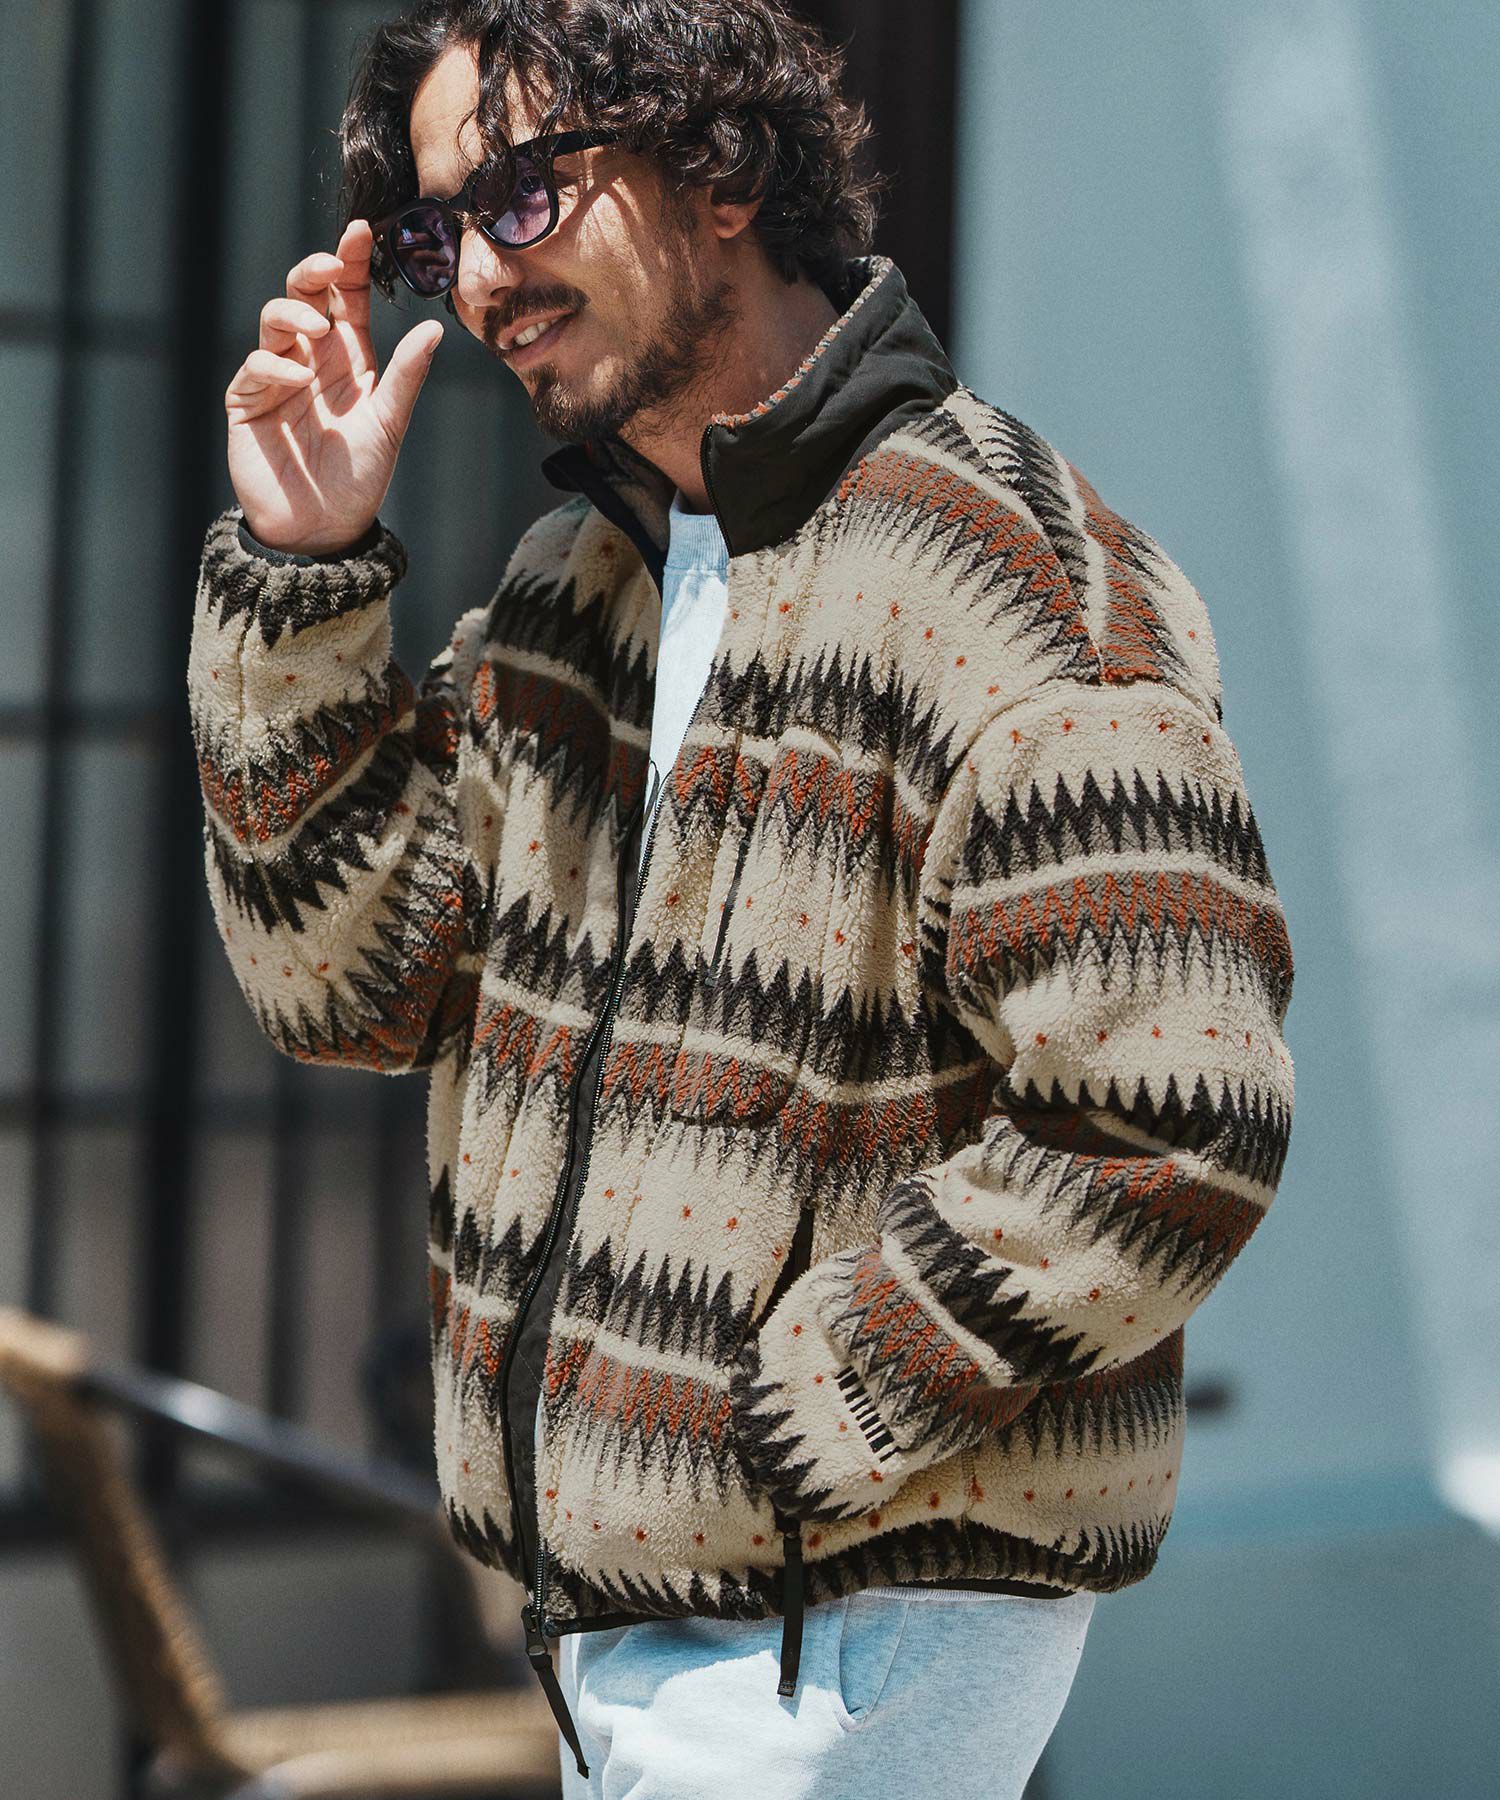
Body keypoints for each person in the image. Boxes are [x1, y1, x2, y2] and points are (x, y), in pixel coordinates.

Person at [189, 3, 1297, 1795]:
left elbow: (1171, 1116)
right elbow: (358, 990)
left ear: (717, 165)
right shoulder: (583, 585)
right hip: (626, 1624)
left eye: (523, 196)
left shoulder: (999, 575)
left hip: (841, 1625)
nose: (482, 278)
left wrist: (802, 1405)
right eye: (444, 233)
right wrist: (301, 570)